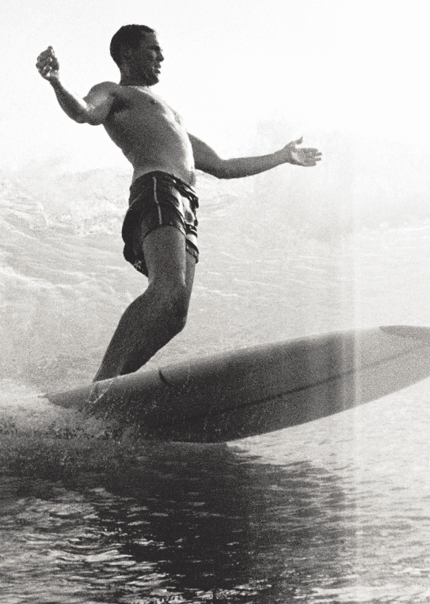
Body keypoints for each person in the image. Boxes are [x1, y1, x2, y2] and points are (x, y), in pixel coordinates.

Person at [36, 25, 321, 381]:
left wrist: (282, 156)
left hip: (186, 202)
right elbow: (84, 113)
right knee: (166, 288)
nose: (161, 57)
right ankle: (103, 382)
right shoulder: (113, 92)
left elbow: (223, 167)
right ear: (127, 53)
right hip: (157, 188)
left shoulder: (169, 114)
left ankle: (116, 386)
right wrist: (57, 82)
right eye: (153, 50)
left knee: (175, 316)